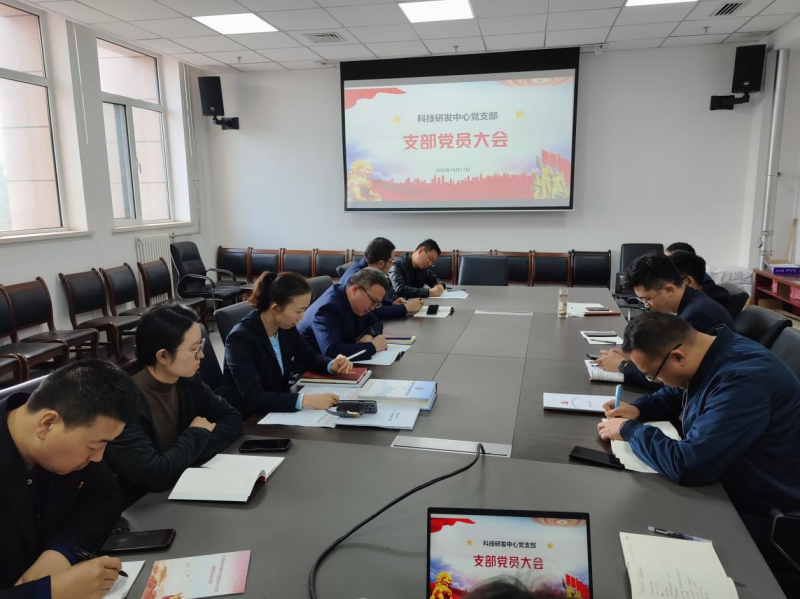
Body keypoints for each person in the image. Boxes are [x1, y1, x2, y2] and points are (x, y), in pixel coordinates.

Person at [598, 312, 800, 592]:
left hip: (761, 513)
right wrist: (640, 408)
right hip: (730, 484)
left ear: (677, 357)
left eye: (653, 376)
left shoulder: (743, 380)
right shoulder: (711, 350)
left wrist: (631, 430)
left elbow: (689, 465)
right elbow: (681, 389)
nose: (658, 382)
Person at [1, 360, 140, 599]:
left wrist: (61, 551)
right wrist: (45, 592)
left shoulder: (68, 442)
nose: (98, 458)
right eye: (93, 446)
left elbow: (107, 496)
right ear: (47, 424)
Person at [104, 303, 243, 504]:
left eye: (201, 345)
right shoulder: (120, 402)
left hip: (182, 486)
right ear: (163, 355)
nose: (202, 355)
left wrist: (178, 458)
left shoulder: (187, 381)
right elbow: (155, 476)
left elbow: (232, 419)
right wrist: (197, 433)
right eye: (194, 349)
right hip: (143, 505)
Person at [221, 272, 355, 419]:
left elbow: (308, 357)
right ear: (275, 308)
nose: (301, 317)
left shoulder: (285, 326)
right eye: (298, 311)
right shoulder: (240, 338)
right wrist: (306, 400)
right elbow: (253, 397)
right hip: (250, 417)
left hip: (277, 406)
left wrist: (332, 364)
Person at [593, 252, 735, 386]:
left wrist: (622, 365)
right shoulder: (693, 302)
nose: (646, 306)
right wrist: (636, 357)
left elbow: (670, 377)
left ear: (669, 290)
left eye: (648, 299)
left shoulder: (697, 316)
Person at [298, 267, 390, 360]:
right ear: (355, 290)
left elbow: (376, 322)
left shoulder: (356, 302)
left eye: (377, 304)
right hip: (309, 365)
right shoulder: (327, 309)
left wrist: (369, 334)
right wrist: (373, 346)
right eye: (373, 301)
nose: (373, 307)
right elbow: (331, 351)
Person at [340, 237, 424, 318]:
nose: (392, 264)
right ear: (381, 263)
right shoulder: (358, 277)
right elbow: (370, 311)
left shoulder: (365, 267)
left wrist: (392, 303)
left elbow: (372, 298)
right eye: (391, 261)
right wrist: (405, 308)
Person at [668, 250, 733, 313]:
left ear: (689, 282)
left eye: (669, 287)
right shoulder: (704, 291)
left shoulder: (706, 306)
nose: (668, 292)